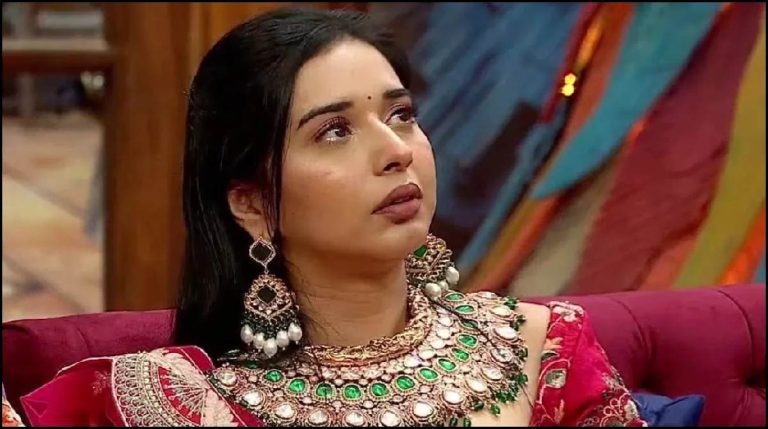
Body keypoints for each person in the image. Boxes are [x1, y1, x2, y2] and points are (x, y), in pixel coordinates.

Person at [19, 8, 646, 427]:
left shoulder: (542, 351)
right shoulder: (172, 404)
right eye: (335, 131)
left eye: (401, 115)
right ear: (253, 204)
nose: (397, 150)